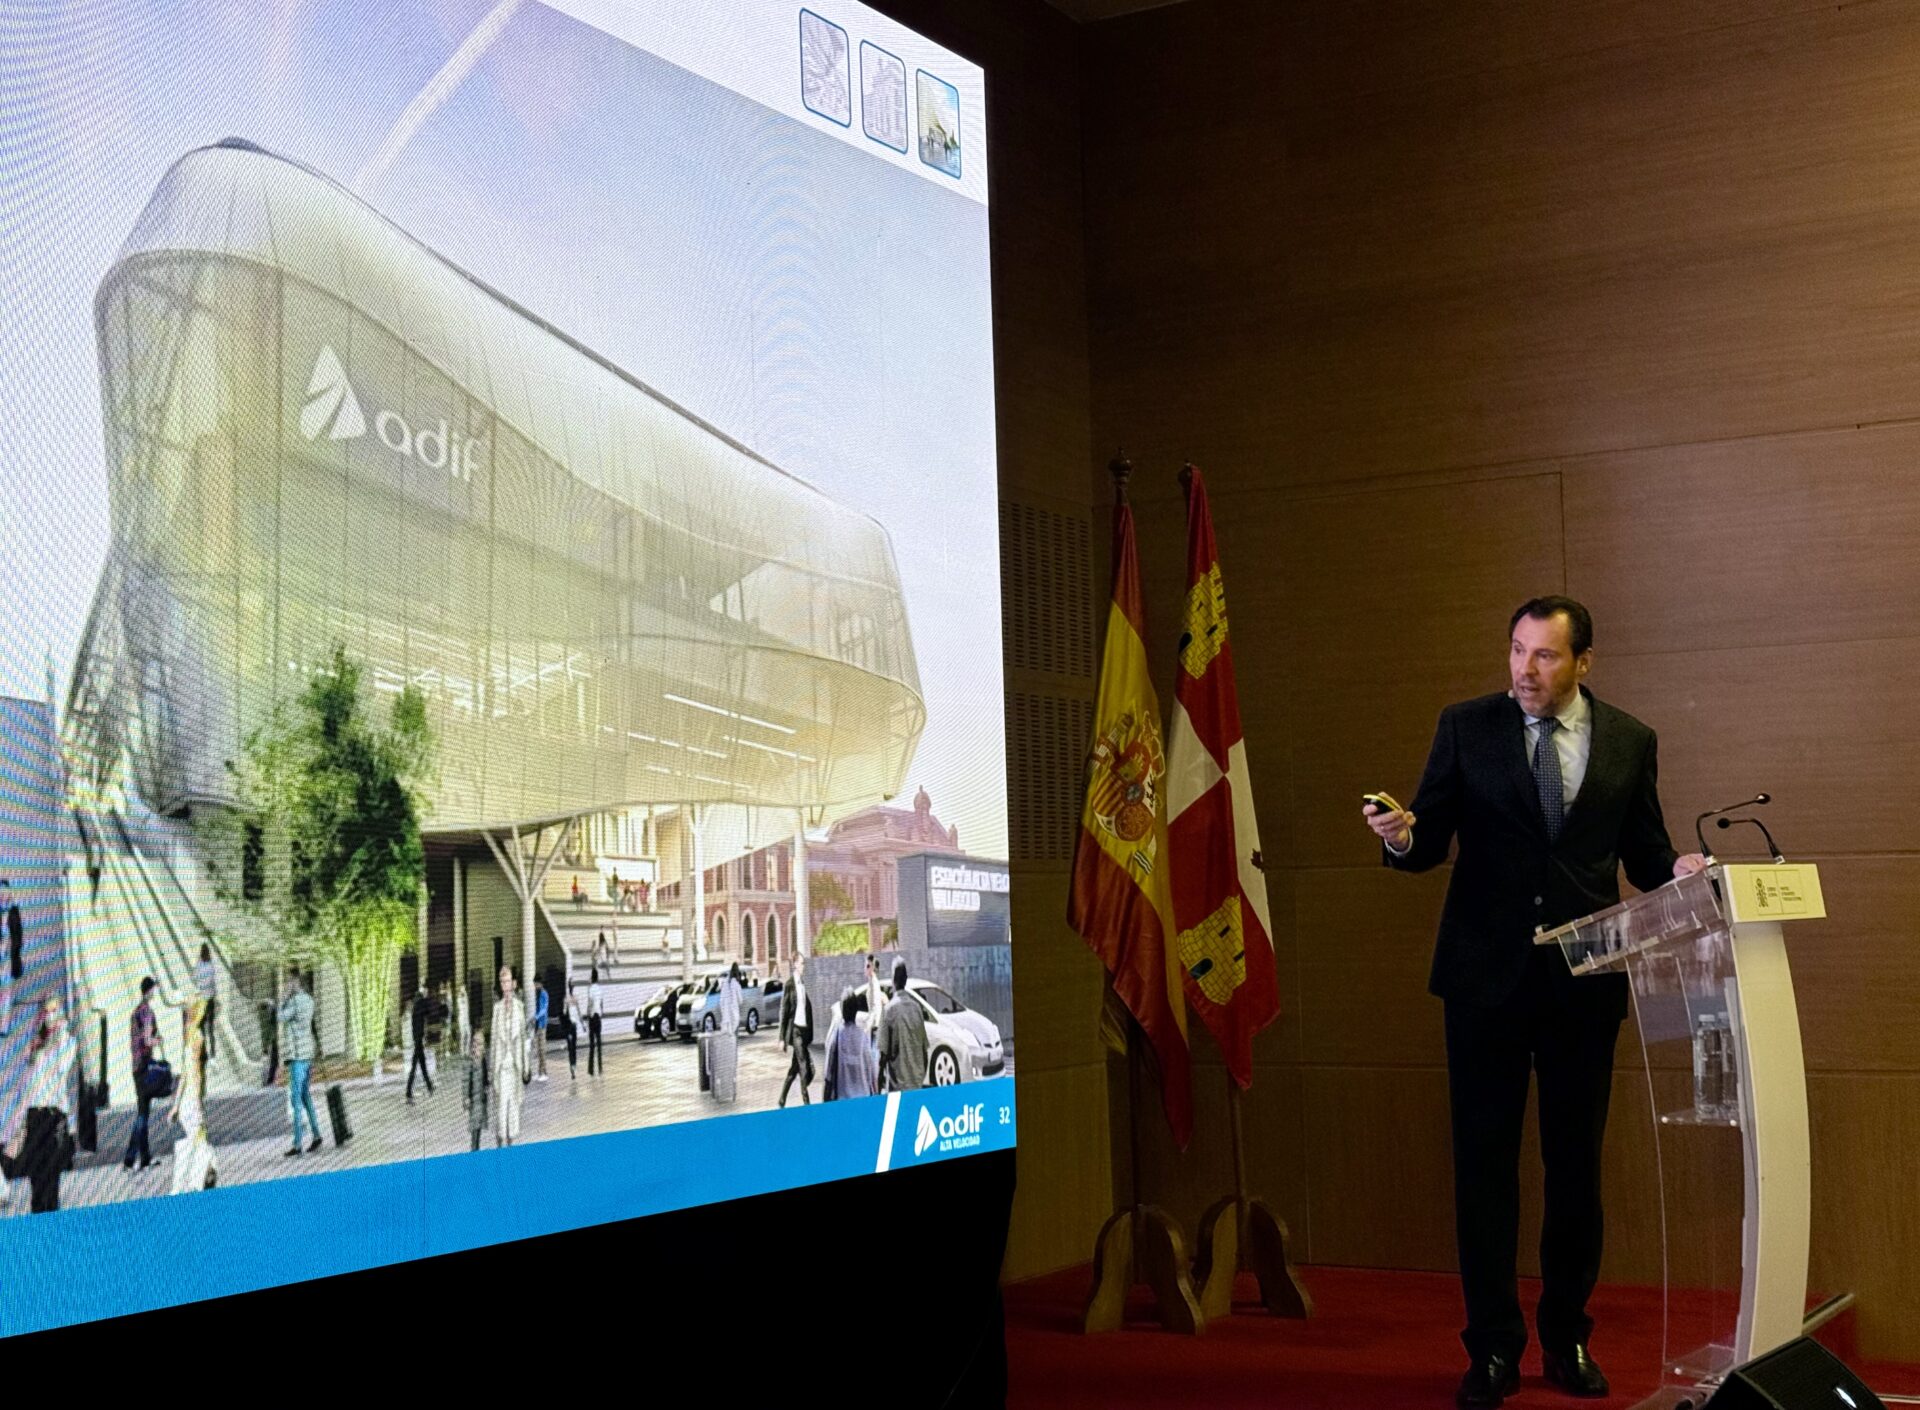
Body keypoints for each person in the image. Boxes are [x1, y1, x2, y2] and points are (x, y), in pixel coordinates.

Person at [1366, 596, 1707, 1410]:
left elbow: (1646, 857)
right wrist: (1402, 837)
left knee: (1574, 1170)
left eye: (1545, 656)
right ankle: (1491, 1348)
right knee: (1483, 1169)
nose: (1525, 670)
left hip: (1583, 989)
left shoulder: (1630, 741)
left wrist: (1681, 875)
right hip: (1483, 983)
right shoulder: (1466, 727)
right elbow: (1430, 836)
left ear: (1583, 662)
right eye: (1517, 652)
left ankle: (1566, 1338)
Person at [3, 995, 77, 1212]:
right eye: (48, 1012)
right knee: (37, 1177)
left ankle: (52, 1222)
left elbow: (64, 1066)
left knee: (52, 1176)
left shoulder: (68, 1043)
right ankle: (39, 1223)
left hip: (55, 1116)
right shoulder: (37, 1046)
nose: (52, 1016)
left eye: (56, 1011)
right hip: (35, 1115)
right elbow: (31, 1084)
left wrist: (61, 1031)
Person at [169, 996, 217, 1194]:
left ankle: (189, 1183)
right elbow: (193, 1073)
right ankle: (197, 1180)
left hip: (187, 1101)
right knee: (197, 1142)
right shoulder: (196, 1036)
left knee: (195, 1140)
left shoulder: (190, 1036)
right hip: (191, 1099)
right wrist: (195, 1102)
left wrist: (176, 1104)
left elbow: (186, 1074)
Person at [279, 972, 323, 1157]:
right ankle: (317, 1134)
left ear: (296, 981)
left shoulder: (295, 1001)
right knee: (305, 1097)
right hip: (308, 1054)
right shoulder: (310, 1000)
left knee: (296, 1100)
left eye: (289, 981)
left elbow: (281, 1017)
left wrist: (283, 998)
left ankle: (297, 1144)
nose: (287, 984)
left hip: (297, 1056)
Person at [122, 976, 162, 1171]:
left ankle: (144, 1158)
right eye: (154, 989)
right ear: (149, 990)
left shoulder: (136, 1011)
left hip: (136, 1066)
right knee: (142, 1115)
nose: (155, 992)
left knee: (143, 1112)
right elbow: (147, 1040)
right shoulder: (146, 1012)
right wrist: (158, 1040)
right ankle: (131, 1159)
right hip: (144, 1066)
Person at [489, 966, 529, 1146]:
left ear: (512, 983)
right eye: (502, 981)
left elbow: (522, 1038)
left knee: (513, 1107)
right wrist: (491, 1069)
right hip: (501, 1066)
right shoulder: (496, 1009)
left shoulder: (520, 1007)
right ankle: (501, 1146)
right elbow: (493, 1040)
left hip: (514, 1066)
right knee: (501, 1109)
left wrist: (526, 1066)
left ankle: (511, 1147)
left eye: (507, 981)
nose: (505, 985)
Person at [878, 958, 928, 1092]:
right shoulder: (917, 1008)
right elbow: (924, 1051)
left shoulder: (888, 1010)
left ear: (893, 980)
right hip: (916, 1085)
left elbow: (883, 1055)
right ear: (906, 979)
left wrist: (878, 1083)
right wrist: (920, 1077)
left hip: (898, 1088)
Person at [777, 952, 815, 1107]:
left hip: (804, 1032)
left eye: (804, 963)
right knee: (804, 1065)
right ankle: (807, 1103)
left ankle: (781, 1099)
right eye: (802, 963)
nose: (804, 966)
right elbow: (784, 1011)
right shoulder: (789, 985)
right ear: (795, 964)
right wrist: (781, 1038)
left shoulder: (802, 984)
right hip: (795, 1031)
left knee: (795, 1069)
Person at [825, 991, 877, 1102]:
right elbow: (872, 1073)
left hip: (843, 1101)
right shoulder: (863, 1037)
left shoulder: (837, 1035)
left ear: (842, 1010)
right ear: (856, 1011)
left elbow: (828, 1074)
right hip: (863, 1099)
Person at [406, 983, 435, 1103]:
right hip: (418, 1039)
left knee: (422, 1065)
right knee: (415, 1066)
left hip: (416, 1038)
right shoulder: (421, 1003)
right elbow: (429, 1011)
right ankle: (408, 1091)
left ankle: (429, 1086)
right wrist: (426, 997)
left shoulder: (415, 1005)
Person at [0, 878, 21, 1036]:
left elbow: (18, 935)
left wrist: (11, 951)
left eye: (5, 893)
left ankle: (3, 1027)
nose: (3, 896)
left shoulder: (14, 911)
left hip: (8, 959)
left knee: (6, 993)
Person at [462, 1028, 489, 1152]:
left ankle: (476, 1149)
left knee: (478, 1128)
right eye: (477, 1043)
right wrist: (465, 1097)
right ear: (473, 1044)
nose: (479, 1046)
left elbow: (485, 1078)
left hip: (481, 1100)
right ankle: (474, 1151)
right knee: (475, 1128)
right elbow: (466, 1080)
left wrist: (488, 1086)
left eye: (482, 1044)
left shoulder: (483, 1059)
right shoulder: (470, 1060)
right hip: (473, 1099)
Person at [192, 941, 218, 1060]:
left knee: (201, 1026)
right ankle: (213, 1054)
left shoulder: (199, 964)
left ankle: (203, 1052)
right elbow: (212, 981)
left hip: (201, 999)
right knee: (211, 1028)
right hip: (210, 999)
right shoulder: (211, 965)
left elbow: (194, 978)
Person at [862, 953, 885, 1057]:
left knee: (873, 1056)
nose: (865, 968)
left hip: (874, 1026)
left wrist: (868, 1025)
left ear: (871, 967)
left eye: (867, 966)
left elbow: (875, 1007)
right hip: (875, 1024)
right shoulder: (873, 982)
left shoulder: (874, 983)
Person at [586, 967, 605, 1077]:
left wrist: (588, 1013)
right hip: (599, 1017)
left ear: (592, 977)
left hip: (593, 1017)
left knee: (592, 1044)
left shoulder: (591, 989)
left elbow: (590, 1003)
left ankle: (591, 1069)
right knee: (599, 1042)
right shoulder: (600, 989)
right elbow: (601, 1003)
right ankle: (600, 1068)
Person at [531, 976, 550, 1082]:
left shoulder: (544, 994)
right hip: (538, 1025)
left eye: (535, 984)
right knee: (538, 1049)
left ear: (540, 984)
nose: (534, 986)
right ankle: (539, 1072)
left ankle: (545, 1073)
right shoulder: (538, 994)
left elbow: (543, 1010)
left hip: (542, 1025)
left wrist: (536, 1017)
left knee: (542, 1049)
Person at [564, 980, 582, 1080]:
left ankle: (573, 1066)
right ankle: (572, 1066)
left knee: (573, 1048)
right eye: (571, 985)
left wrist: (583, 1024)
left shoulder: (574, 999)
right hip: (570, 1026)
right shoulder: (568, 999)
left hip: (573, 1026)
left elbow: (578, 1012)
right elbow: (564, 1012)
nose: (572, 987)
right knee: (572, 1048)